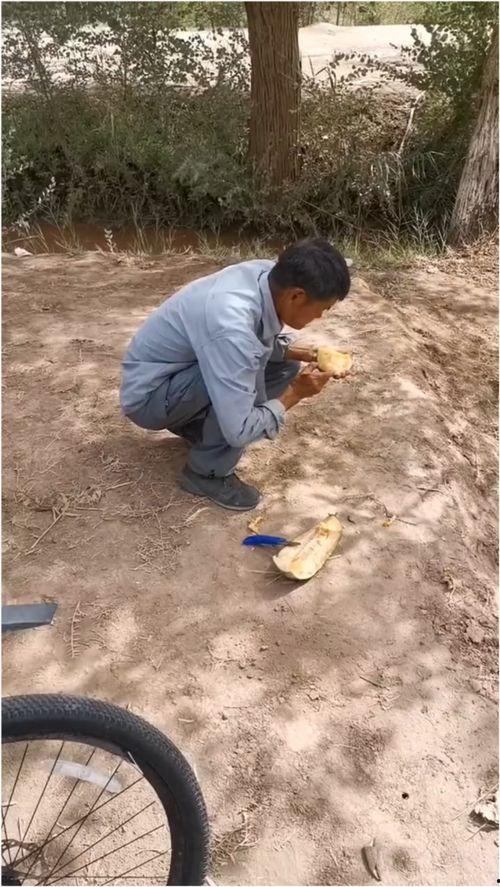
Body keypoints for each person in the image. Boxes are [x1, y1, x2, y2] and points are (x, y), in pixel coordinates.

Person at [120, 238, 351, 511]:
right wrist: (296, 393)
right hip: (149, 399)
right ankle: (205, 474)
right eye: (323, 309)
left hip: (175, 377)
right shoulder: (231, 325)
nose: (321, 317)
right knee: (250, 383)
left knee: (283, 366)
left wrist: (307, 353)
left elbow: (254, 342)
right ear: (296, 296)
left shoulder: (266, 275)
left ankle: (199, 429)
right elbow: (240, 431)